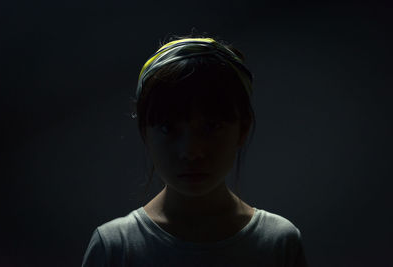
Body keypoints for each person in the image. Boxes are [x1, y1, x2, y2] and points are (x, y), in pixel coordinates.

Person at [81, 31, 308, 267]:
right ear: (145, 132)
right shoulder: (115, 247)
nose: (191, 151)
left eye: (211, 127)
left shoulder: (278, 243)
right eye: (168, 128)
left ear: (242, 129)